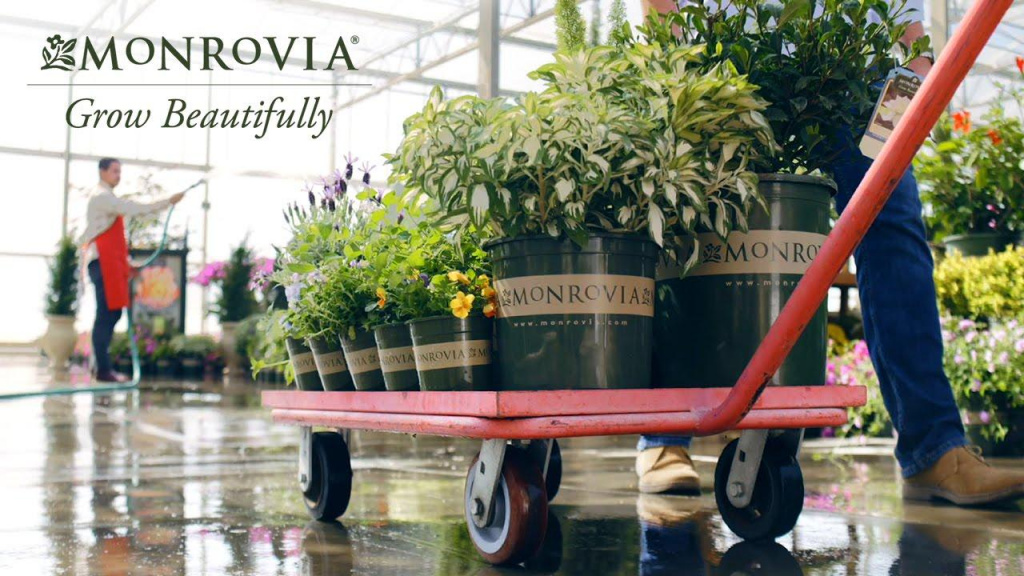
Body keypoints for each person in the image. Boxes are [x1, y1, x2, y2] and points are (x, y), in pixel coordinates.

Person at [636, 0, 1024, 506]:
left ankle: (934, 450)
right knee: (698, 223)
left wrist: (914, 76)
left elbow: (907, 23)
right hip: (728, 61)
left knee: (895, 226)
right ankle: (666, 438)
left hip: (852, 75)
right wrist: (675, 54)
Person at [78, 158, 184, 383]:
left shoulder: (106, 198)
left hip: (109, 263)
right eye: (115, 171)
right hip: (102, 264)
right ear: (102, 171)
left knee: (111, 313)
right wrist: (167, 201)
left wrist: (127, 265)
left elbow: (114, 241)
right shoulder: (102, 197)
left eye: (119, 171)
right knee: (106, 313)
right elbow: (135, 209)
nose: (118, 175)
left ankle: (101, 368)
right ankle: (103, 370)